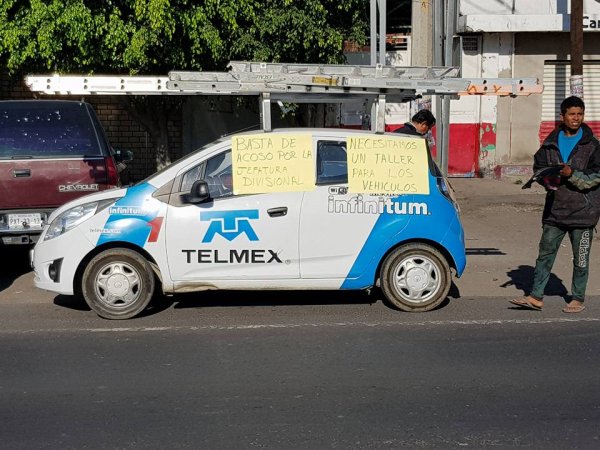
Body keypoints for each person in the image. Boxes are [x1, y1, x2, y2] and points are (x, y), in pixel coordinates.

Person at [510, 95, 600, 313]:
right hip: (555, 211)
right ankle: (535, 297)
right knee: (545, 255)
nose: (576, 118)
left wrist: (571, 174)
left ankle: (577, 298)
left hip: (584, 213)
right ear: (563, 116)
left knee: (581, 259)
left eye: (579, 114)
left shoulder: (593, 146)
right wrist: (546, 179)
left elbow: (595, 178)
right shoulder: (550, 143)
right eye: (572, 114)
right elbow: (538, 168)